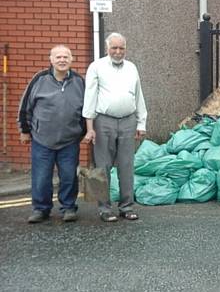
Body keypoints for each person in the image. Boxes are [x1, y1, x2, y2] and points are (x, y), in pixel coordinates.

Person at [82, 33, 147, 222]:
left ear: (125, 48)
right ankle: (104, 208)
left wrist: (141, 122)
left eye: (121, 48)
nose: (118, 52)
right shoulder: (96, 67)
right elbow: (90, 97)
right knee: (102, 166)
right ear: (107, 48)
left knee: (126, 166)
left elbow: (138, 95)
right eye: (114, 48)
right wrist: (90, 127)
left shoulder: (132, 67)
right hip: (104, 121)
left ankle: (127, 207)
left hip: (128, 121)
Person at [18, 45, 85, 223]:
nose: (62, 60)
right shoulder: (39, 80)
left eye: (66, 57)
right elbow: (25, 106)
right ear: (51, 60)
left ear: (71, 60)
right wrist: (24, 131)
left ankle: (68, 208)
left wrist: (83, 132)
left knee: (69, 176)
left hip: (69, 140)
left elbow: (87, 110)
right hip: (42, 140)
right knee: (41, 177)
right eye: (58, 57)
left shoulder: (79, 81)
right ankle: (41, 209)